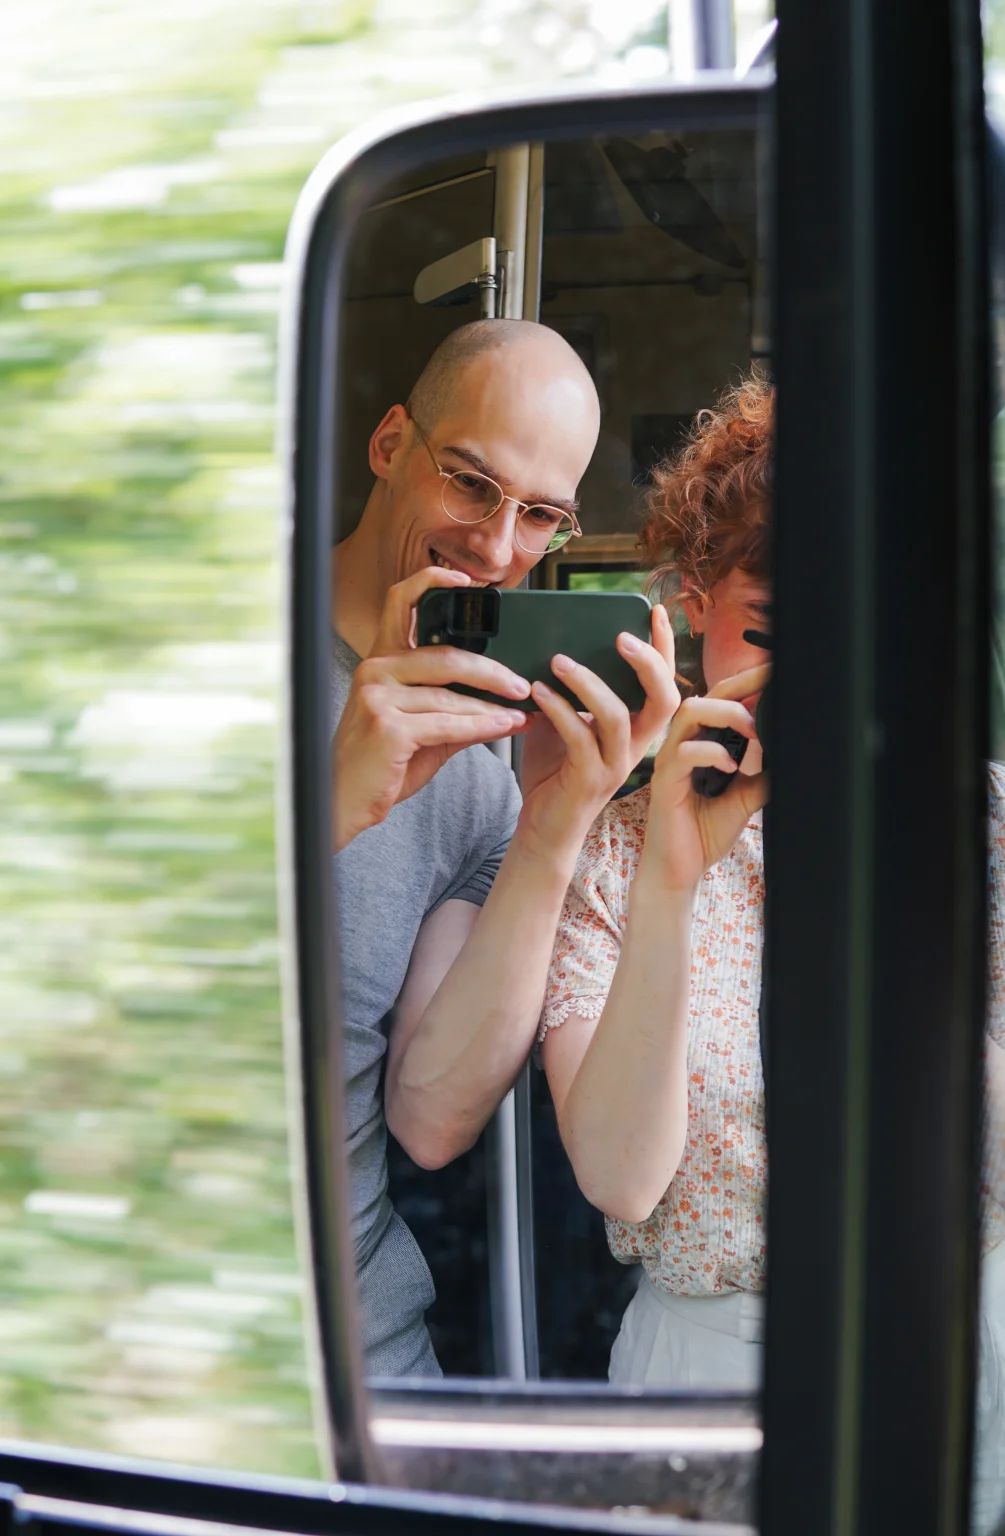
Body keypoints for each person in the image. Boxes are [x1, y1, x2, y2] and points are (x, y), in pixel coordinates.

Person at [538, 367, 1005, 1532]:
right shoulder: (612, 844)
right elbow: (618, 1176)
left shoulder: (991, 826)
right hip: (706, 1360)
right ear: (692, 600)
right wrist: (668, 878)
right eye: (771, 629)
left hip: (968, 1334)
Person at [331, 317, 680, 1378]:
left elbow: (433, 1119)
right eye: (471, 486)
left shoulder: (486, 769)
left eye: (539, 518)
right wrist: (331, 807)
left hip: (372, 1349)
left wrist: (555, 822)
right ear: (391, 444)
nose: (493, 548)